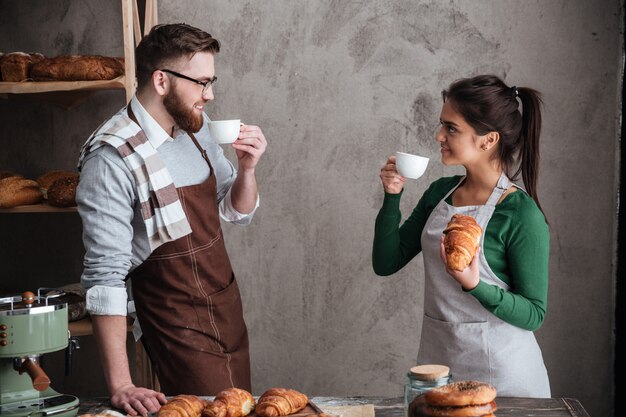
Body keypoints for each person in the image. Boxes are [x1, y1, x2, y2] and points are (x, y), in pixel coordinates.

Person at [76, 23, 267, 415]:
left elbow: (235, 211)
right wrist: (122, 385)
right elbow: (104, 276)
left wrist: (247, 170)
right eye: (200, 82)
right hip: (175, 321)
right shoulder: (112, 158)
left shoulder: (197, 133)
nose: (209, 95)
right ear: (161, 80)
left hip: (225, 308)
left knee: (239, 409)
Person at [372, 75, 550, 397]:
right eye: (442, 125)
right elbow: (386, 261)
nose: (439, 135)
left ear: (488, 139)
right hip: (438, 370)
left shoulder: (521, 214)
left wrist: (474, 285)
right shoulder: (439, 193)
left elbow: (534, 314)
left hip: (504, 380)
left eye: (451, 128)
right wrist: (392, 195)